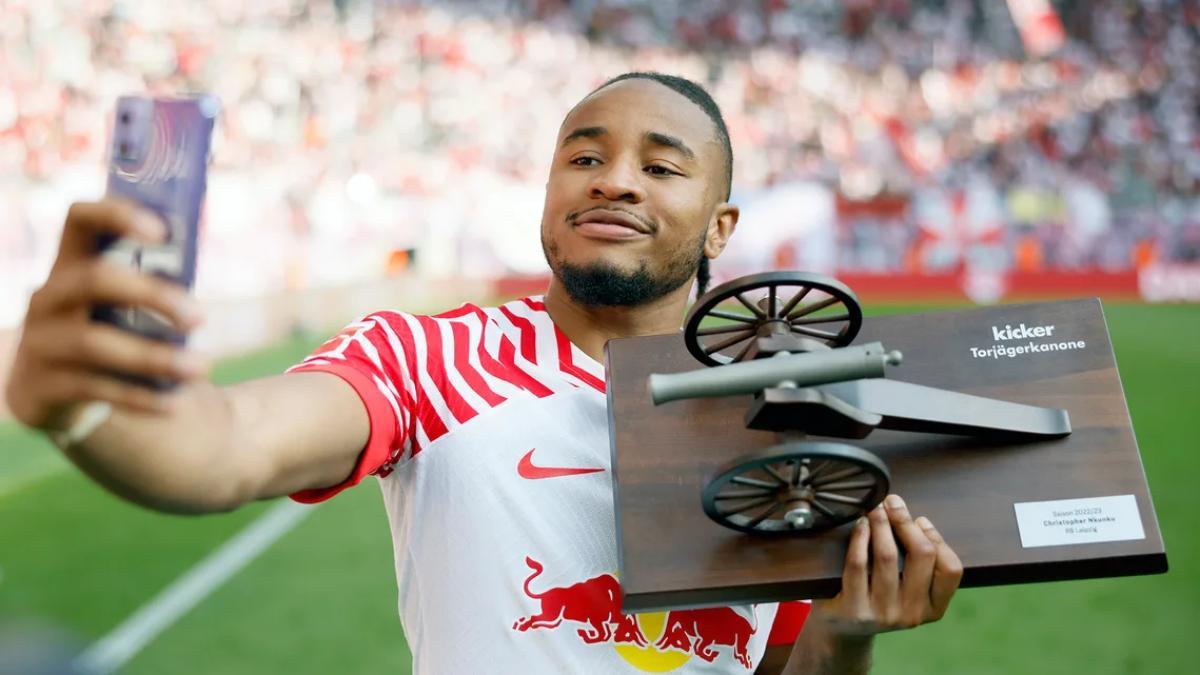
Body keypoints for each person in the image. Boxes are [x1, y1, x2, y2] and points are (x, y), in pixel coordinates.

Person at [5, 72, 962, 674]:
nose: (614, 178)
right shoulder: (425, 355)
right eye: (583, 156)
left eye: (661, 167)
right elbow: (220, 450)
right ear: (547, 194)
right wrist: (92, 407)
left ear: (721, 229)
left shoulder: (795, 418)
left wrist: (844, 637)